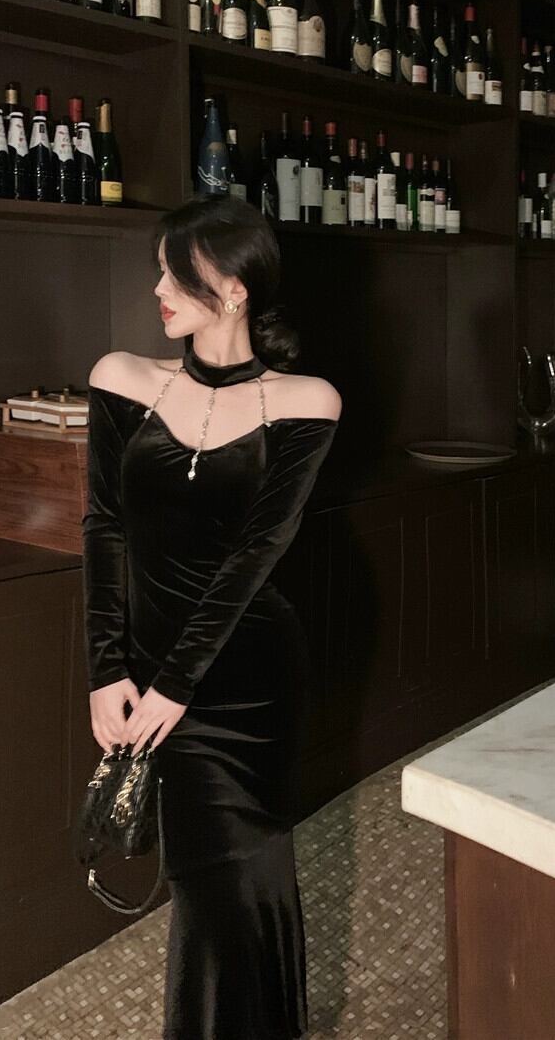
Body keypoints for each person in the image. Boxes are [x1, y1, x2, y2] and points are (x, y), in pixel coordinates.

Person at [82, 193, 342, 1039]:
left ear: (234, 290)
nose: (156, 288)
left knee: (245, 879)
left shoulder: (307, 401)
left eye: (175, 274)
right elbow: (104, 528)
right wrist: (107, 670)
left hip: (249, 679)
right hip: (150, 670)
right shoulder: (122, 379)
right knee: (206, 887)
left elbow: (254, 557)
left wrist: (174, 686)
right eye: (159, 271)